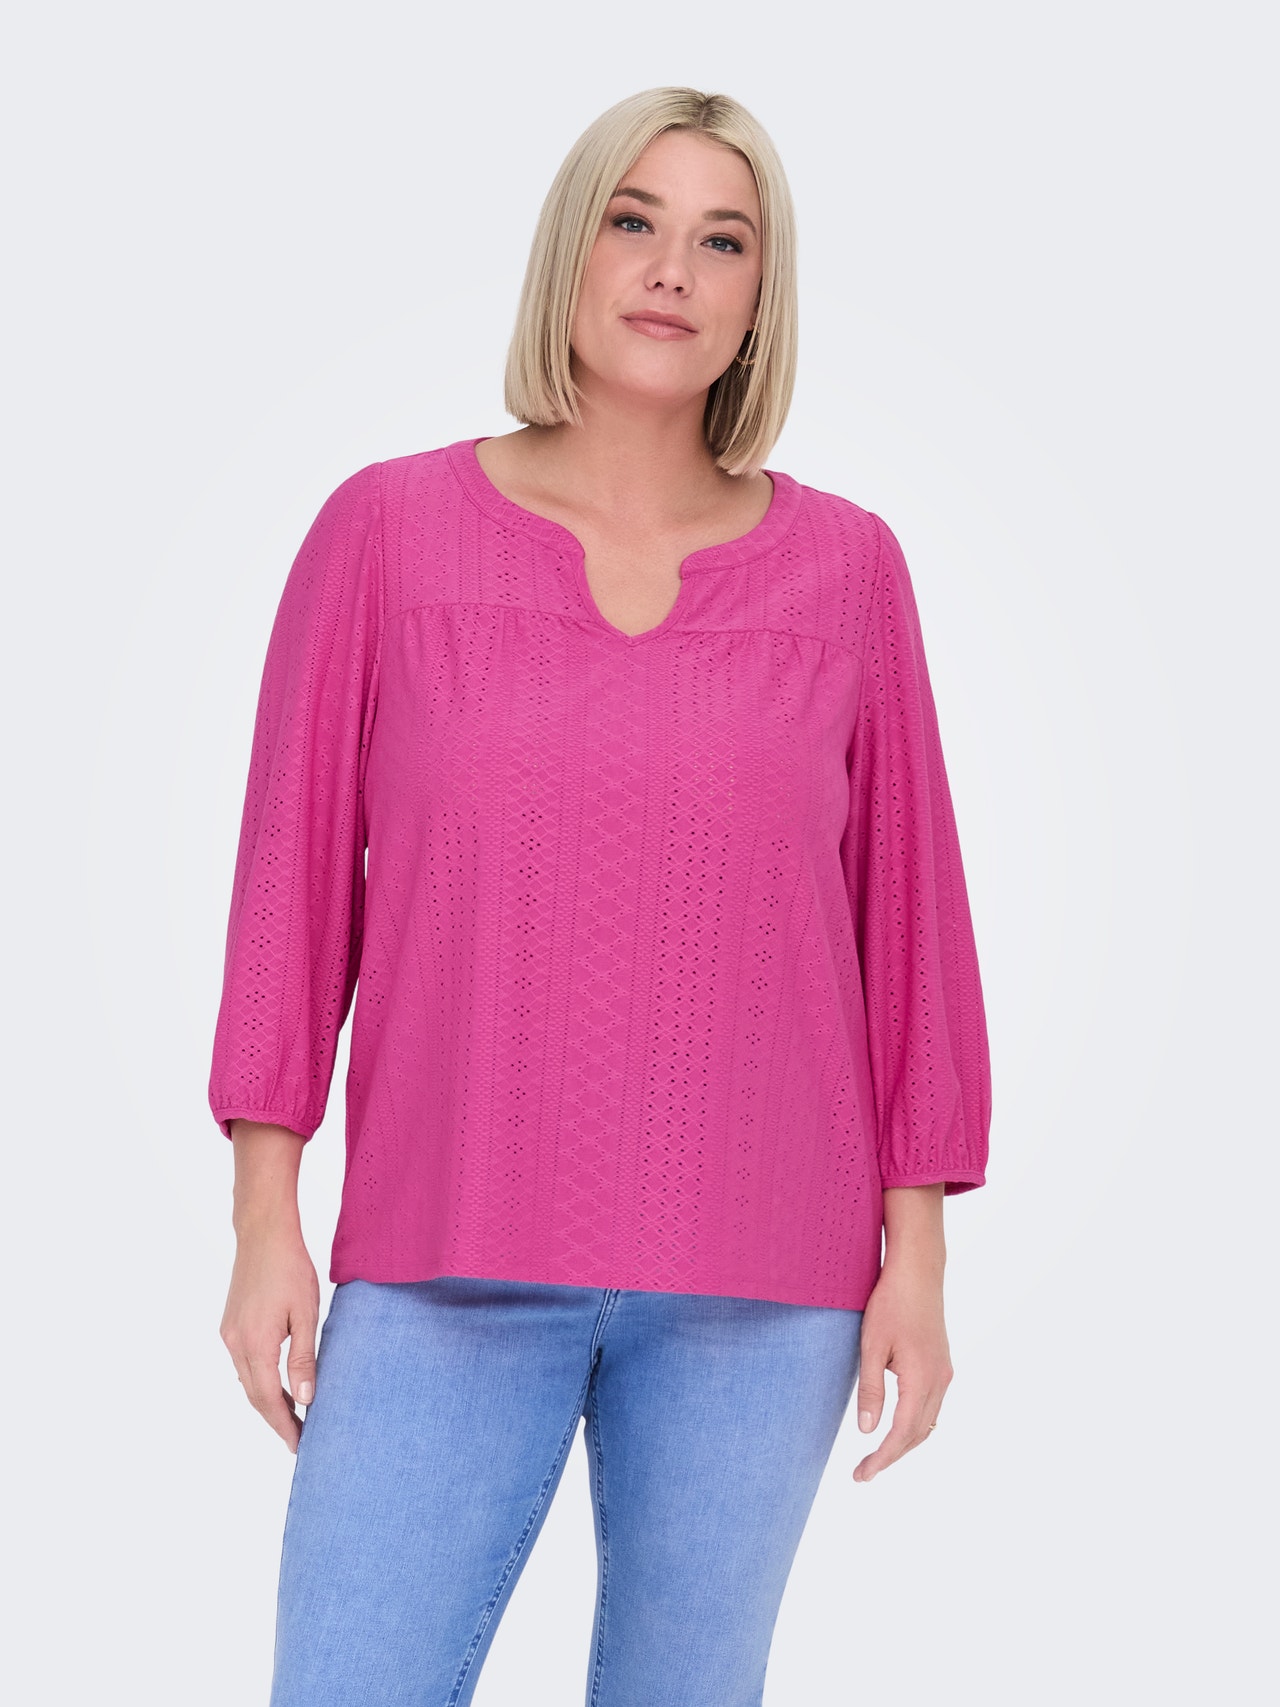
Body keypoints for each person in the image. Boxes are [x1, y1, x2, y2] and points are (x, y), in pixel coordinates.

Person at [210, 85, 992, 1707]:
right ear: (572, 247)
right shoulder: (386, 533)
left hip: (761, 1282)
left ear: (761, 296)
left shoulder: (849, 573)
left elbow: (909, 922)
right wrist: (263, 1217)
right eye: (635, 221)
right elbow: (290, 880)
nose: (672, 270)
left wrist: (916, 1257)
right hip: (444, 1250)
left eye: (724, 241)